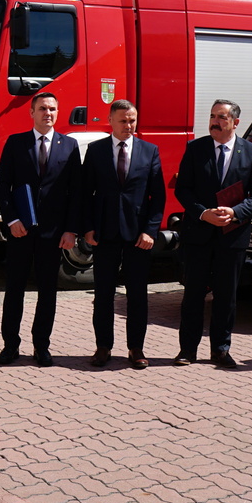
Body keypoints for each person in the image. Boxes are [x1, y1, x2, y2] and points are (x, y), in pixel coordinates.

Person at [175, 100, 252, 369]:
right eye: (212, 116)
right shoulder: (196, 149)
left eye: (222, 117)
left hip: (232, 236)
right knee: (193, 294)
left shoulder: (251, 152)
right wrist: (202, 213)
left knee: (226, 296)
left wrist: (236, 212)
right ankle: (187, 349)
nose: (215, 122)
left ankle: (220, 349)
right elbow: (183, 189)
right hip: (198, 234)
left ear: (235, 123)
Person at [0, 93, 80, 367]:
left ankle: (41, 346)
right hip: (20, 230)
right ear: (31, 112)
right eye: (42, 108)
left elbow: (76, 193)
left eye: (52, 109)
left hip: (53, 233)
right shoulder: (16, 143)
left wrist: (71, 230)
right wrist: (11, 220)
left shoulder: (70, 146)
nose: (48, 113)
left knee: (47, 291)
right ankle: (10, 345)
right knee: (14, 290)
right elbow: (3, 185)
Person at [82, 100, 165, 369]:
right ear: (110, 121)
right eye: (123, 121)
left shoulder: (149, 151)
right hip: (104, 233)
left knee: (137, 294)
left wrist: (150, 230)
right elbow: (85, 192)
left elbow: (158, 196)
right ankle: (103, 347)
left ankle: (136, 348)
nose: (128, 125)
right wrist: (88, 228)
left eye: (132, 120)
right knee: (103, 294)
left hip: (138, 236)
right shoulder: (96, 150)